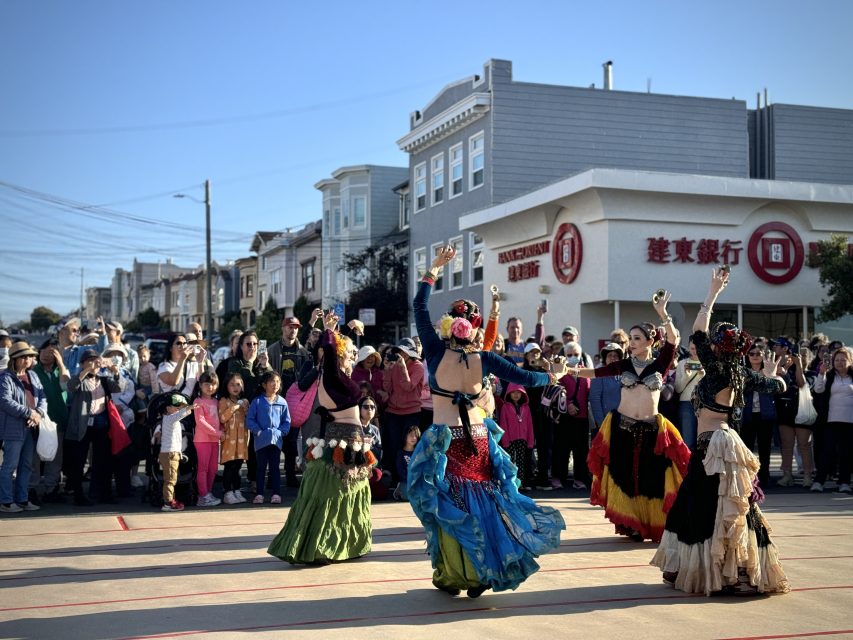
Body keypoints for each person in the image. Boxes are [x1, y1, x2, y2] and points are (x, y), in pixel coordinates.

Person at [408, 246, 566, 598]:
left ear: (448, 325)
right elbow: (525, 377)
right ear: (474, 329)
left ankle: (460, 573)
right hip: (479, 438)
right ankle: (482, 572)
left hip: (445, 439)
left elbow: (419, 306)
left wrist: (434, 268)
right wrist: (553, 375)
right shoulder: (484, 358)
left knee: (452, 505)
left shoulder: (434, 352)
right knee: (484, 501)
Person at [651, 267, 790, 596]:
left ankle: (701, 568)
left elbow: (698, 331)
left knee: (701, 504)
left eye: (713, 342)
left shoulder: (715, 367)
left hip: (712, 444)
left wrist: (712, 293)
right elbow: (780, 385)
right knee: (734, 507)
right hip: (728, 442)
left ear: (717, 347)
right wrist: (772, 373)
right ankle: (738, 572)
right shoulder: (744, 373)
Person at [570, 290, 689, 543]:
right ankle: (631, 524)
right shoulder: (623, 365)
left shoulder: (660, 364)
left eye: (636, 338)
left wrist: (663, 314)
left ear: (649, 341)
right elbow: (595, 373)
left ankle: (651, 523)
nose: (631, 343)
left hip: (651, 430)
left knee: (652, 479)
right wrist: (567, 371)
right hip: (622, 427)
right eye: (630, 339)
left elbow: (674, 341)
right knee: (625, 477)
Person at [267, 311, 375, 564]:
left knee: (351, 494)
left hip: (349, 445)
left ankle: (346, 544)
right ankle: (320, 547)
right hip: (340, 446)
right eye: (349, 352)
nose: (353, 355)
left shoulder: (337, 379)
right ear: (338, 356)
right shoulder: (332, 377)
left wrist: (339, 333)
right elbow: (329, 352)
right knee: (335, 495)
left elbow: (334, 353)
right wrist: (328, 330)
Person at [65, 348, 127, 505]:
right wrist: (87, 370)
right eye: (89, 360)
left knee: (103, 460)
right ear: (82, 363)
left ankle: (104, 493)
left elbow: (120, 387)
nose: (94, 364)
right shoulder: (80, 378)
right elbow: (71, 387)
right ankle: (78, 495)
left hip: (101, 422)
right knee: (79, 460)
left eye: (96, 360)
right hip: (82, 424)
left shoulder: (104, 380)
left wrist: (115, 370)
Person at [0, 342, 47, 513]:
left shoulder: (33, 375)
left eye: (30, 356)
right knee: (9, 465)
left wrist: (39, 413)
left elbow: (42, 397)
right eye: (24, 357)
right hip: (13, 427)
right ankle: (5, 501)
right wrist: (30, 413)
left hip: (31, 426)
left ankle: (22, 499)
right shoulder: (5, 377)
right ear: (15, 359)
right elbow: (5, 402)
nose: (28, 359)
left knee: (26, 465)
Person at [31, 339, 70, 503]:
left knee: (55, 457)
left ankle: (51, 489)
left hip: (57, 421)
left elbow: (66, 386)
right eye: (44, 351)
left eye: (51, 352)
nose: (46, 355)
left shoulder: (60, 371)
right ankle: (30, 489)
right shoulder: (33, 371)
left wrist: (61, 363)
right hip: (36, 422)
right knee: (33, 457)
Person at [381, 337, 425, 483]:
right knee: (393, 446)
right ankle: (394, 481)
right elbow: (387, 388)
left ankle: (410, 479)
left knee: (410, 446)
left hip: (412, 412)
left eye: (404, 352)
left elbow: (408, 386)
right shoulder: (393, 366)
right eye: (399, 352)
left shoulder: (418, 366)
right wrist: (387, 370)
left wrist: (403, 368)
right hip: (393, 411)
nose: (401, 355)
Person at [811, 346, 853, 493]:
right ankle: (819, 481)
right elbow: (818, 389)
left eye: (843, 360)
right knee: (826, 451)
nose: (840, 362)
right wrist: (822, 373)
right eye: (837, 360)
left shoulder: (851, 377)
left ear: (850, 361)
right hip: (830, 420)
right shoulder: (829, 376)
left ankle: (844, 482)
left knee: (846, 453)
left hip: (849, 421)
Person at [740, 343, 781, 487]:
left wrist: (770, 375)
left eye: (758, 353)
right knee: (747, 447)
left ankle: (764, 476)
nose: (755, 356)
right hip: (747, 414)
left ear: (763, 355)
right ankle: (748, 477)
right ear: (747, 356)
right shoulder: (743, 372)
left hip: (766, 414)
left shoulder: (769, 369)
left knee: (765, 448)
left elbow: (777, 388)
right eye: (752, 354)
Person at [247, 370, 290, 505]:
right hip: (261, 442)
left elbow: (286, 421)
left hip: (276, 442)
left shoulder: (282, 402)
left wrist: (280, 432)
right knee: (260, 468)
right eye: (272, 381)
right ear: (264, 385)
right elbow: (250, 420)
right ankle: (259, 494)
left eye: (278, 381)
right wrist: (258, 431)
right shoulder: (257, 402)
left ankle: (276, 494)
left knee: (275, 468)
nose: (275, 384)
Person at [555, 341, 591, 490]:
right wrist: (568, 403)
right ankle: (558, 477)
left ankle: (579, 478)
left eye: (576, 354)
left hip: (582, 416)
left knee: (581, 450)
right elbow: (555, 390)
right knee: (561, 448)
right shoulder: (560, 371)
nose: (573, 357)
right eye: (569, 354)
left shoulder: (586, 371)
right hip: (564, 415)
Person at [153, 394, 193, 512]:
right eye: (177, 407)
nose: (179, 409)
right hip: (169, 454)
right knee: (170, 480)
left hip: (172, 453)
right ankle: (168, 503)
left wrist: (187, 409)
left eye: (181, 407)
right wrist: (189, 407)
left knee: (172, 479)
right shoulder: (169, 418)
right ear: (168, 408)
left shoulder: (171, 419)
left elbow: (183, 414)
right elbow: (182, 414)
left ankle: (171, 499)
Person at [192, 371, 223, 507]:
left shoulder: (217, 401)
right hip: (202, 440)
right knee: (203, 469)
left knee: (213, 469)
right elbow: (200, 422)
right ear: (200, 385)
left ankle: (208, 493)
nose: (210, 387)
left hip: (214, 440)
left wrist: (221, 430)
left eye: (213, 384)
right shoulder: (198, 402)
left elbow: (220, 419)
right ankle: (203, 495)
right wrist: (218, 433)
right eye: (207, 384)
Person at [219, 373, 250, 504]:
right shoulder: (223, 401)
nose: (235, 387)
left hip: (242, 440)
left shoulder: (245, 401)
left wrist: (245, 407)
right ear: (226, 386)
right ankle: (227, 492)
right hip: (228, 441)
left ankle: (237, 490)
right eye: (232, 384)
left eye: (238, 384)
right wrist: (235, 406)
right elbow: (222, 418)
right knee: (229, 466)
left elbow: (249, 417)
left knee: (238, 467)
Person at [498, 383, 535, 491]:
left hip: (522, 439)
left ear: (522, 394)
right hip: (509, 439)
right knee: (510, 463)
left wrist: (530, 441)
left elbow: (529, 425)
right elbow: (503, 424)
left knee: (520, 462)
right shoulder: (505, 407)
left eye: (519, 392)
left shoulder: (526, 407)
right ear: (509, 393)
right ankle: (509, 484)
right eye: (513, 392)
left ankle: (520, 483)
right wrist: (505, 440)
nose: (516, 395)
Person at [674, 338, 704, 450]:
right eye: (692, 348)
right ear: (688, 347)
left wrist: (703, 374)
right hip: (686, 403)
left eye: (697, 348)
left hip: (704, 405)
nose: (695, 351)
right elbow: (678, 389)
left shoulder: (708, 363)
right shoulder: (682, 363)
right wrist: (687, 376)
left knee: (704, 441)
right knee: (688, 441)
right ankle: (688, 467)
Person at [589, 343, 623, 435]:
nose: (612, 358)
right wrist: (601, 423)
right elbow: (594, 399)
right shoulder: (599, 374)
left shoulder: (624, 375)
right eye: (609, 355)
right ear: (605, 358)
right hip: (606, 421)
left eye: (615, 355)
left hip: (623, 421)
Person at [158, 333, 203, 398]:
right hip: (171, 406)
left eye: (184, 343)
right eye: (178, 343)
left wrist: (200, 362)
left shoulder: (192, 364)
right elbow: (174, 381)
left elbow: (202, 382)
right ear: (170, 348)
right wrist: (182, 359)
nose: (182, 346)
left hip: (188, 406)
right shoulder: (164, 366)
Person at [394, 425, 420, 501]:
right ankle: (399, 490)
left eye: (416, 436)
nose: (414, 438)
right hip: (406, 481)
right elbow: (400, 469)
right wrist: (408, 479)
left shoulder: (418, 452)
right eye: (411, 435)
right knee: (407, 497)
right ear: (405, 436)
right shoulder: (400, 453)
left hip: (417, 481)